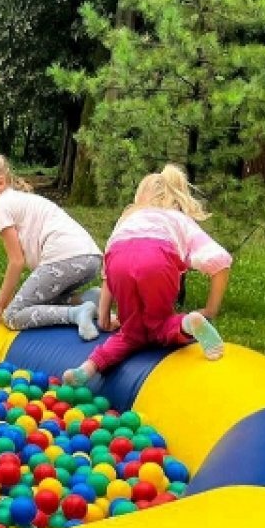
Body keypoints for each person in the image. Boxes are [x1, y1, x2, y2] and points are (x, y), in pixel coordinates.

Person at [63, 164, 231, 386]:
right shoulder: (178, 220)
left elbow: (107, 271)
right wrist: (210, 309)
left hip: (118, 260)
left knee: (129, 332)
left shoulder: (128, 220)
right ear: (176, 197)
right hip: (157, 258)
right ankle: (188, 323)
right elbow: (220, 261)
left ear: (139, 197)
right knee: (159, 324)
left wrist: (103, 314)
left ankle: (87, 368)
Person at [0, 151, 102, 339]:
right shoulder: (16, 199)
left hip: (64, 258)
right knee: (41, 300)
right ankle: (85, 299)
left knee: (12, 316)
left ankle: (76, 313)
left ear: (0, 182)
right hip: (91, 259)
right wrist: (6, 300)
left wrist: (0, 306)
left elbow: (16, 261)